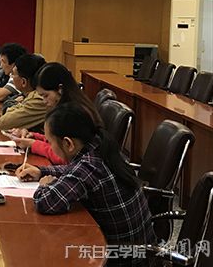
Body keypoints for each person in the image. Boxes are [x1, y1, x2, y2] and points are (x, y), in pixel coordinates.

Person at [16, 103, 155, 265]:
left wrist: (44, 185)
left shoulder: (87, 167)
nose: (50, 146)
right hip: (141, 252)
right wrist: (42, 171)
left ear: (68, 143)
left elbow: (46, 202)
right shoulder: (100, 147)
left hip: (121, 259)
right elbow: (74, 170)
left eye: (50, 142)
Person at [9, 62, 103, 165]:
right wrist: (33, 136)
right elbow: (57, 140)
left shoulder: (74, 113)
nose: (44, 101)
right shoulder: (70, 105)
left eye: (46, 95)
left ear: (60, 89)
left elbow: (64, 157)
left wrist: (33, 144)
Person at [0, 54, 47, 131]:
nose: (11, 77)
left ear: (23, 82)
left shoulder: (38, 99)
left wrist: (14, 106)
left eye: (13, 74)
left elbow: (3, 123)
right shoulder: (28, 95)